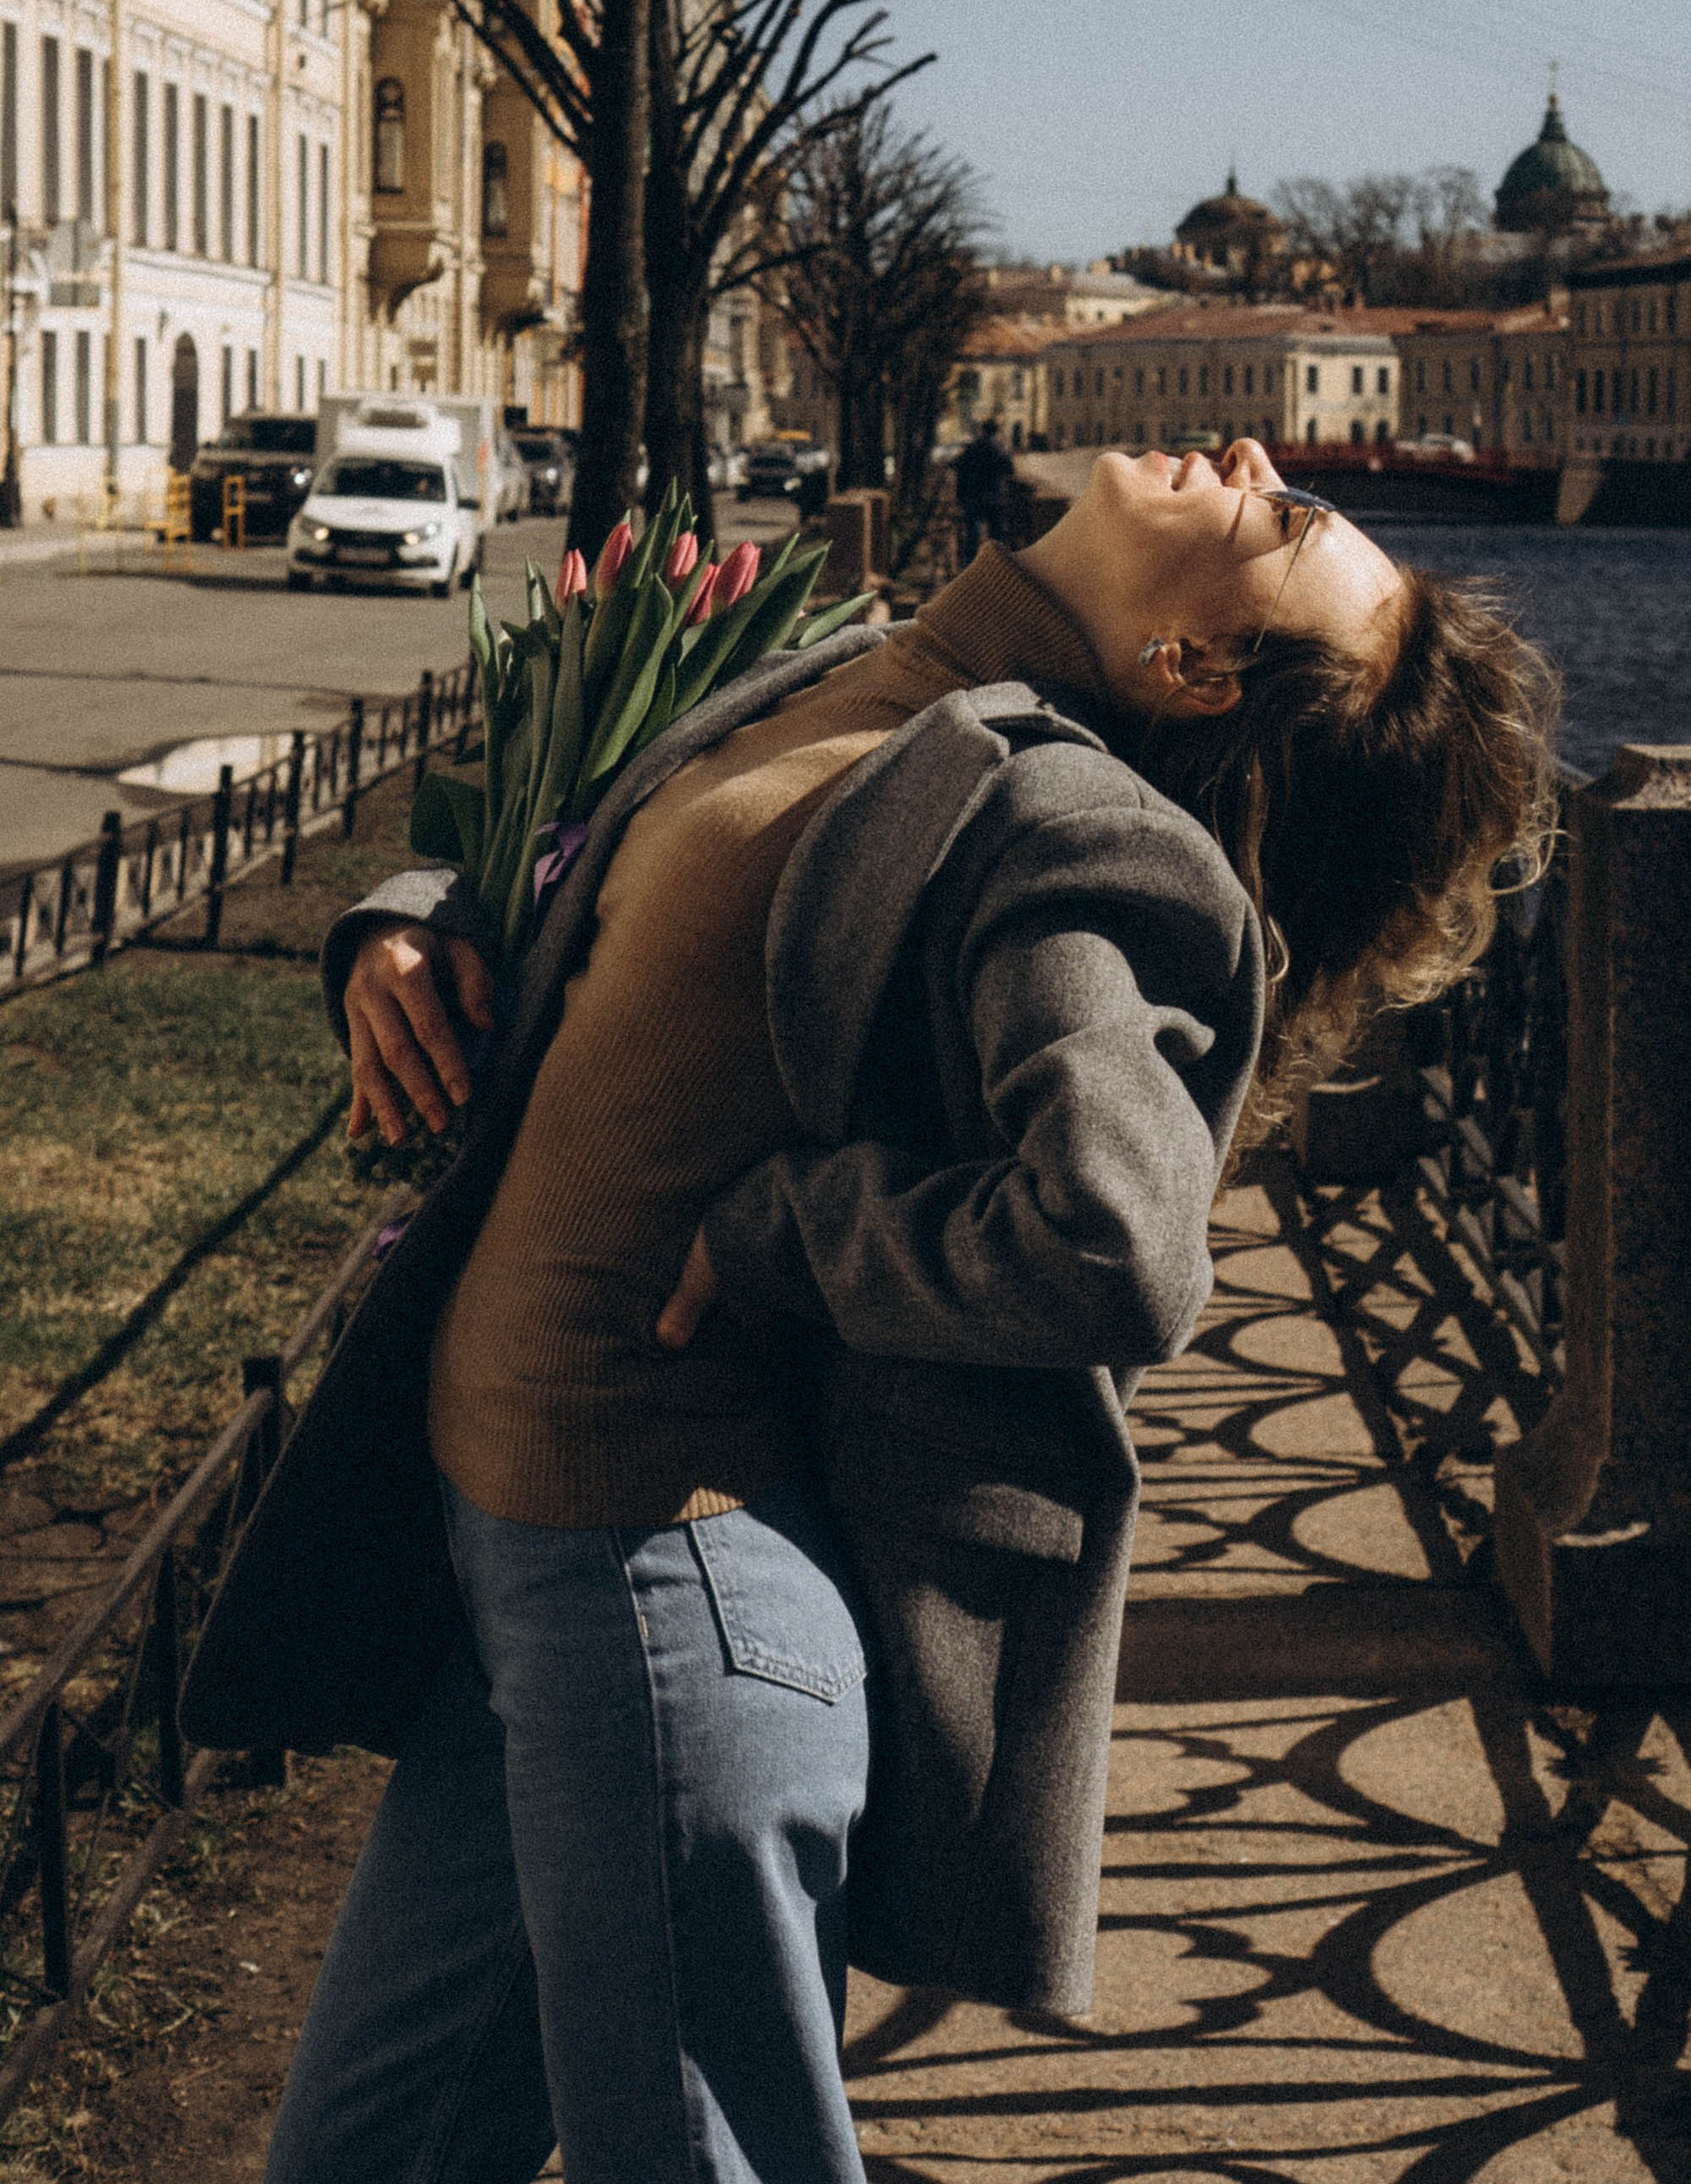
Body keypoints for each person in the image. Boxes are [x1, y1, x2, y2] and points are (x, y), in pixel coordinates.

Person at [183, 439, 1556, 2184]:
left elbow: (1120, 1243)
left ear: (1193, 671)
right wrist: (402, 928)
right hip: (537, 1578)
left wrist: (785, 1233)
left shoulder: (1056, 816)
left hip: (661, 1598)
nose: (1252, 458)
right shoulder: (879, 673)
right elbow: (597, 875)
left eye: (1275, 522)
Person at [952, 414, 1011, 561]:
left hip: (973, 496)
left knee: (972, 533)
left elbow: (957, 466)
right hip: (993, 498)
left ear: (982, 430)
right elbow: (1009, 469)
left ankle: (971, 565)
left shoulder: (972, 447)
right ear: (996, 432)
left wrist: (961, 492)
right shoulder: (998, 449)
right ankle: (994, 563)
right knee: (995, 535)